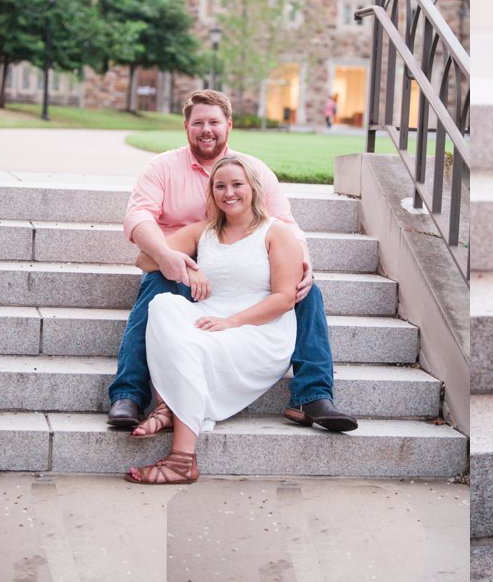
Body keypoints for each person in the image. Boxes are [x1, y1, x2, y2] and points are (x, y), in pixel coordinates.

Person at [106, 89, 357, 434]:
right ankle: (129, 394)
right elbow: (137, 218)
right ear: (186, 126)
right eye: (198, 123)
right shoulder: (162, 166)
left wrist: (304, 263)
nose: (206, 129)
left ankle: (311, 395)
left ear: (229, 125)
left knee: (305, 291)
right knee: (157, 287)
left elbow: (284, 222)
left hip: (241, 262)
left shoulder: (251, 170)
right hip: (176, 256)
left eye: (214, 122)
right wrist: (167, 257)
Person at [126, 155, 304, 484]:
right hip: (211, 313)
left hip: (258, 327)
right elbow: (145, 259)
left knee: (191, 345)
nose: (229, 192)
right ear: (212, 193)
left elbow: (284, 298)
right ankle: (167, 404)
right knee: (163, 305)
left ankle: (182, 459)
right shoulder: (204, 231)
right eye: (220, 186)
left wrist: (233, 322)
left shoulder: (276, 233)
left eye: (237, 184)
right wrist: (189, 267)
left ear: (253, 188)